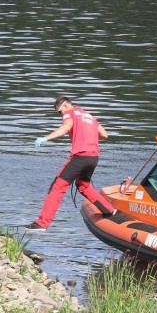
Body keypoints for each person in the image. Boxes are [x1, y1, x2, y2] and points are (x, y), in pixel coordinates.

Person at [26, 97, 116, 231]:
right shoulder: (88, 115)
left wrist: (46, 138)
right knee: (83, 185)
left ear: (66, 105)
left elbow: (65, 127)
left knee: (57, 187)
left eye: (60, 112)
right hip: (94, 157)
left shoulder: (70, 113)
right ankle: (109, 210)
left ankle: (41, 223)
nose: (61, 115)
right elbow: (104, 135)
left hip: (80, 157)